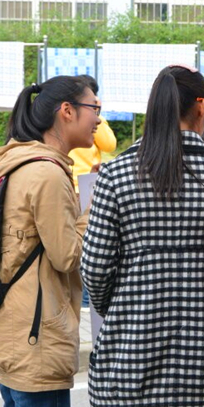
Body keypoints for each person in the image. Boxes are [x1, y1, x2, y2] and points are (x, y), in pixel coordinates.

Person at [81, 65, 204, 407]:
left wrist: (125, 304)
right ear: (202, 107)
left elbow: (94, 268)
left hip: (130, 355)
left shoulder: (115, 175)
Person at [0, 75, 100, 407]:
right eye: (94, 108)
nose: (99, 119)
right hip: (37, 340)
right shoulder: (47, 172)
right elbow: (68, 256)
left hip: (9, 330)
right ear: (67, 111)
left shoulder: (17, 160)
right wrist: (97, 204)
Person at [68, 100, 116, 310]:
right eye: (93, 108)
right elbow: (110, 144)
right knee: (82, 248)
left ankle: (85, 302)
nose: (96, 118)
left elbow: (109, 144)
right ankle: (86, 303)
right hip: (79, 190)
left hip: (86, 186)